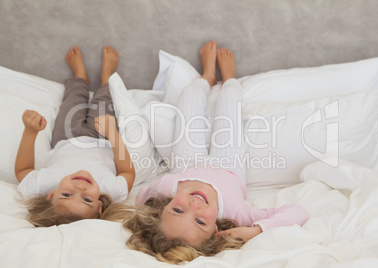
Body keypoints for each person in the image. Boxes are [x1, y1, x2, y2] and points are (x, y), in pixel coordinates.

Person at [122, 41, 309, 263]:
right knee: (229, 105)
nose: (194, 205)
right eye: (200, 221)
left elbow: (142, 197)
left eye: (178, 210)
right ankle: (230, 79)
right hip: (229, 166)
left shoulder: (162, 189)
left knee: (189, 96)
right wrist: (255, 230)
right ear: (214, 232)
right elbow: (298, 213)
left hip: (186, 163)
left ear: (163, 209)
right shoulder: (236, 213)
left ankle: (207, 77)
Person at [14, 46, 135, 227]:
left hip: (65, 138)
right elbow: (127, 172)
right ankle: (106, 78)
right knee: (105, 101)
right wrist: (113, 134)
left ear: (51, 195)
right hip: (101, 138)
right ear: (100, 206)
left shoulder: (42, 185)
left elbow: (22, 170)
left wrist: (30, 131)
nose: (80, 188)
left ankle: (80, 77)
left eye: (67, 195)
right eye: (87, 199)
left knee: (72, 101)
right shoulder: (110, 191)